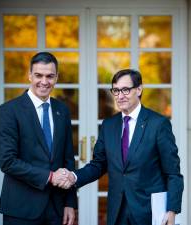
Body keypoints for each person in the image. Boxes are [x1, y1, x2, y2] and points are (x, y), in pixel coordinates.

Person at [71, 69, 184, 225]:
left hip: (148, 212)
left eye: (125, 89)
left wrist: (172, 210)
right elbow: (98, 165)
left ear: (139, 89)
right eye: (116, 90)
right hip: (117, 212)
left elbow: (173, 173)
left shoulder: (158, 124)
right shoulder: (108, 125)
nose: (120, 95)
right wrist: (74, 177)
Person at [0, 52, 77, 225]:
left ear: (57, 77)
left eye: (50, 76)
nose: (44, 81)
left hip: (56, 208)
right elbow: (7, 161)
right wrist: (50, 177)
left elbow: (68, 159)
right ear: (29, 75)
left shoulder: (62, 110)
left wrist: (70, 203)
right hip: (21, 208)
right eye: (39, 75)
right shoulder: (9, 111)